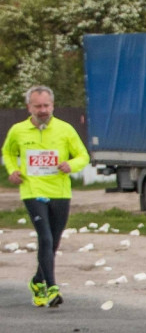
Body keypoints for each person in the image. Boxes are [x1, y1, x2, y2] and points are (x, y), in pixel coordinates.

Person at [2, 85, 90, 308]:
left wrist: (70, 165)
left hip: (60, 191)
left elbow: (83, 156)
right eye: (37, 106)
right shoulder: (18, 130)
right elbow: (8, 152)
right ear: (28, 107)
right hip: (32, 190)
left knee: (55, 241)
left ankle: (36, 281)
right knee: (46, 238)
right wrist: (12, 170)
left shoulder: (65, 129)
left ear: (52, 106)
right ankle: (51, 288)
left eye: (46, 106)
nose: (42, 110)